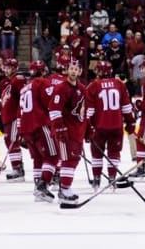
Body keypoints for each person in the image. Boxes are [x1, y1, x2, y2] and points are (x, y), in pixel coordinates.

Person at [85, 60, 135, 190]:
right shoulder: (119, 84)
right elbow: (126, 107)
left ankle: (96, 179)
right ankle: (112, 179)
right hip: (116, 126)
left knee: (96, 154)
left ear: (98, 72)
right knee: (114, 153)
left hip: (99, 127)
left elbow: (89, 112)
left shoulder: (92, 86)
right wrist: (130, 122)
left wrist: (87, 128)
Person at [48, 58, 88, 205]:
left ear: (80, 71)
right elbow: (54, 109)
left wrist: (88, 129)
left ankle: (64, 187)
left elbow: (85, 111)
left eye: (76, 69)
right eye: (71, 68)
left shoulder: (83, 89)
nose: (73, 71)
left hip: (77, 131)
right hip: (65, 132)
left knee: (74, 159)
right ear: (67, 70)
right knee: (68, 160)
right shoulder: (61, 88)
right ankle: (64, 189)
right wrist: (59, 127)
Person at [19, 60, 59, 203]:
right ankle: (43, 186)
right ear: (43, 71)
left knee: (38, 158)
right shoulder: (42, 82)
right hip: (40, 125)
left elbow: (21, 111)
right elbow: (51, 103)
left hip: (26, 128)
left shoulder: (24, 88)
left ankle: (37, 188)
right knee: (53, 156)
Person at [0, 58, 27, 182]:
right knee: (8, 141)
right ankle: (17, 167)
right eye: (5, 67)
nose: (6, 70)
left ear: (15, 68)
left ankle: (18, 169)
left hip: (15, 117)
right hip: (7, 117)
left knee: (12, 141)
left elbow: (23, 98)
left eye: (9, 67)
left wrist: (21, 116)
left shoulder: (18, 80)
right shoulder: (5, 82)